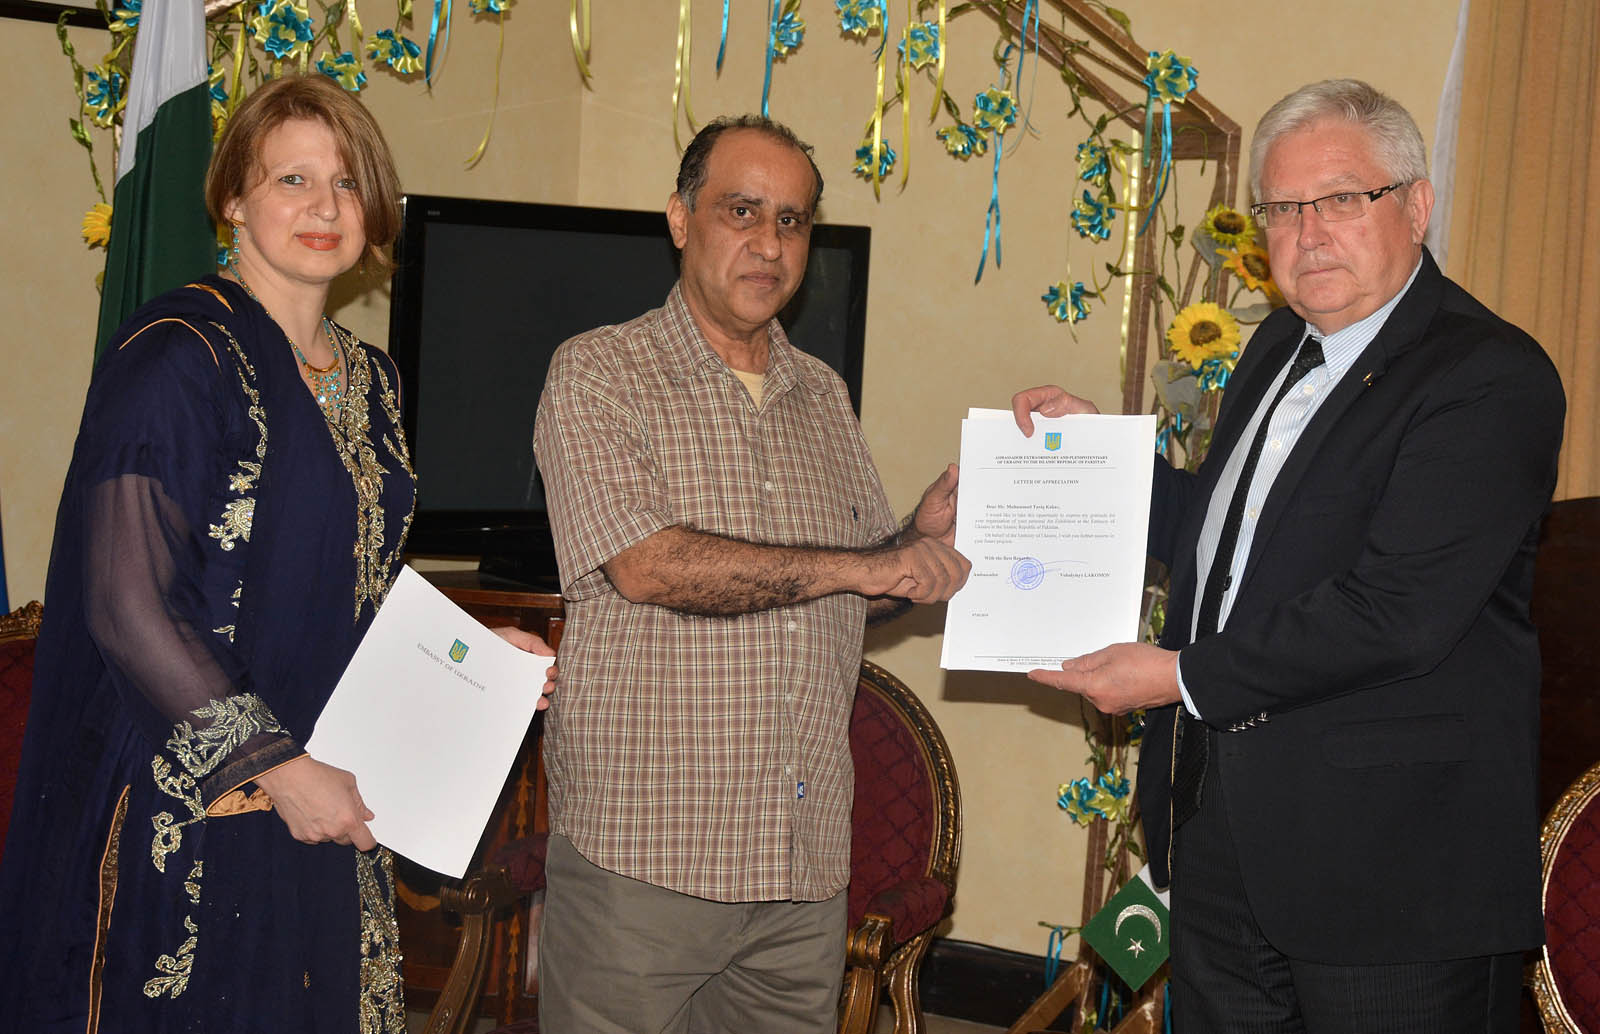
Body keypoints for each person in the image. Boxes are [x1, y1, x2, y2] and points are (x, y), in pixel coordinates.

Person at [0, 75, 554, 1033]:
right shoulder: (177, 354)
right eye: (292, 179)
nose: (325, 208)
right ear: (232, 199)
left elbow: (354, 581)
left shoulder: (372, 379)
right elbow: (128, 603)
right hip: (196, 799)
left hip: (333, 782)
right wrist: (275, 769)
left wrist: (474, 652)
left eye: (346, 183)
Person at [1012, 79, 1563, 1032]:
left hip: (1390, 879)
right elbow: (1228, 541)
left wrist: (1176, 676)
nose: (1308, 234)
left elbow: (1395, 612)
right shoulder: (1278, 345)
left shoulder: (1488, 375)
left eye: (1342, 199)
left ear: (1417, 206)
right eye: (1281, 208)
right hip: (1218, 839)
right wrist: (1101, 466)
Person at [532, 114, 970, 1033]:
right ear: (680, 219)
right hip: (645, 866)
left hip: (800, 873)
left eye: (793, 220)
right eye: (742, 211)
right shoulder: (600, 372)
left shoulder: (824, 395)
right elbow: (649, 566)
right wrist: (868, 564)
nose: (770, 243)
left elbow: (842, 595)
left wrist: (912, 541)